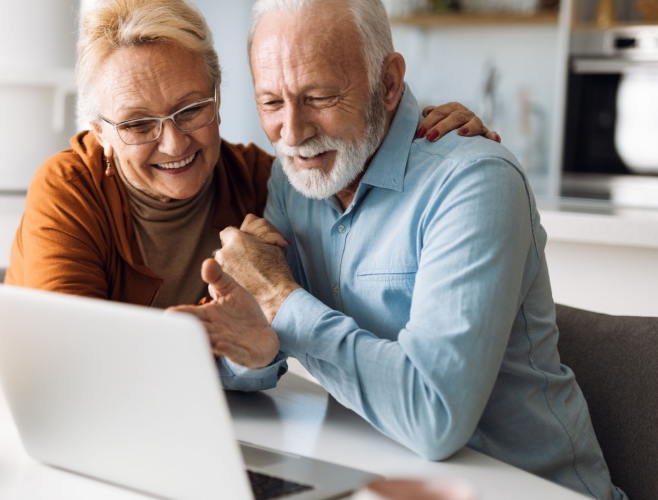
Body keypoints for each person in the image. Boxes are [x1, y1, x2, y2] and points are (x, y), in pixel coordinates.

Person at [170, 0, 625, 498]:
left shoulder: (473, 182)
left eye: (319, 97)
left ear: (388, 84)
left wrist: (281, 303)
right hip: (381, 479)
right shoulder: (294, 178)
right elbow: (263, 340)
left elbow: (435, 418)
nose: (294, 134)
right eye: (272, 103)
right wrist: (251, 352)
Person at [0, 0, 495, 380]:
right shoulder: (68, 186)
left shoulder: (265, 181)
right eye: (138, 124)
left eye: (191, 109)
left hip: (186, 431)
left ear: (218, 96)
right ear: (99, 132)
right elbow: (74, 366)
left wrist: (410, 123)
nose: (173, 142)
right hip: (16, 414)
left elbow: (348, 162)